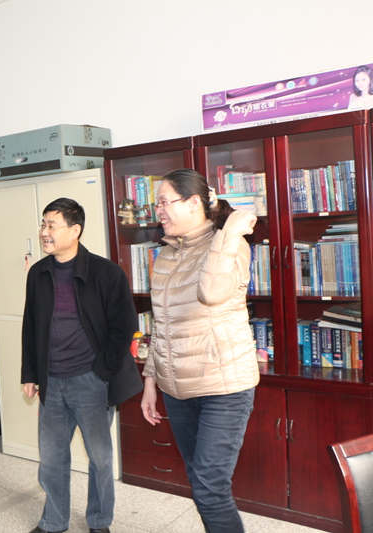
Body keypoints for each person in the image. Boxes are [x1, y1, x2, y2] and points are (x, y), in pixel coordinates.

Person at [140, 169, 259, 533]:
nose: (159, 210)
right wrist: (150, 380)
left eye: (165, 201)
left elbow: (212, 292)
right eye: (157, 203)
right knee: (199, 482)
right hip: (177, 390)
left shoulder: (230, 246)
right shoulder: (166, 254)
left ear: (193, 203)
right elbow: (162, 325)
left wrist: (230, 233)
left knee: (209, 488)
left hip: (223, 386)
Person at [22, 198, 142, 533]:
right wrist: (30, 373)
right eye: (43, 224)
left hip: (91, 380)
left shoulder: (106, 273)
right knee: (51, 459)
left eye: (52, 225)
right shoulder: (38, 274)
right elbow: (31, 326)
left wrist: (101, 372)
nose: (44, 232)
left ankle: (99, 521)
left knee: (100, 459)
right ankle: (53, 522)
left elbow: (124, 326)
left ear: (75, 230)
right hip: (51, 381)